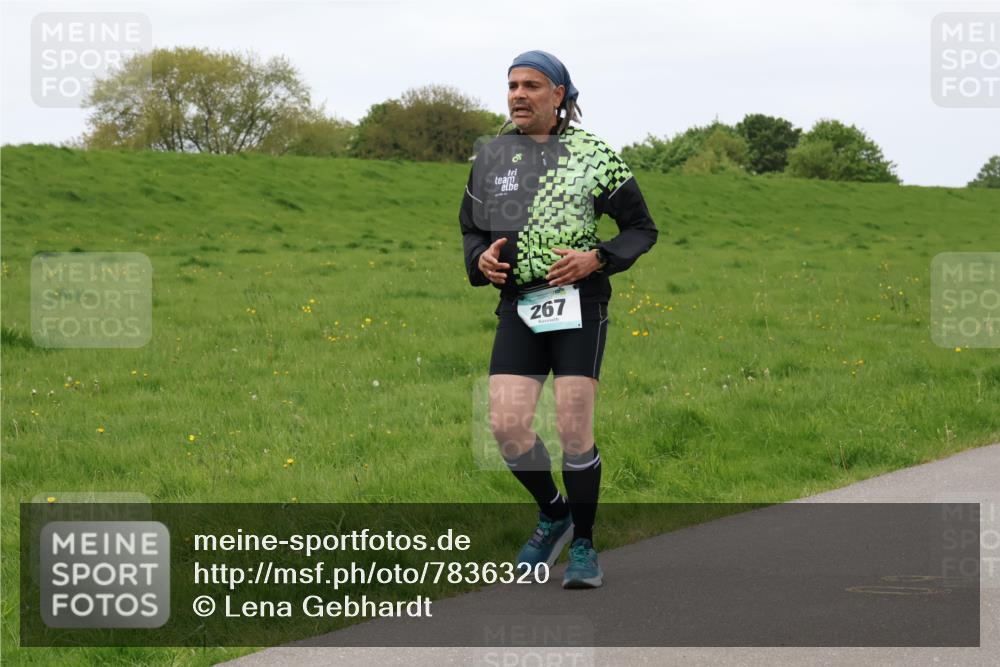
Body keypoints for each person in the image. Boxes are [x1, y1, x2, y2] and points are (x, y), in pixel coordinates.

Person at [459, 50, 657, 589]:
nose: (518, 95)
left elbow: (641, 228)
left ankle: (586, 547)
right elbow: (471, 229)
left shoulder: (595, 156)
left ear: (560, 96)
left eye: (532, 86)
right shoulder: (494, 157)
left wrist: (600, 257)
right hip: (520, 305)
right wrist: (480, 259)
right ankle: (554, 513)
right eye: (512, 85)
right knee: (505, 425)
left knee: (573, 426)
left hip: (580, 304)